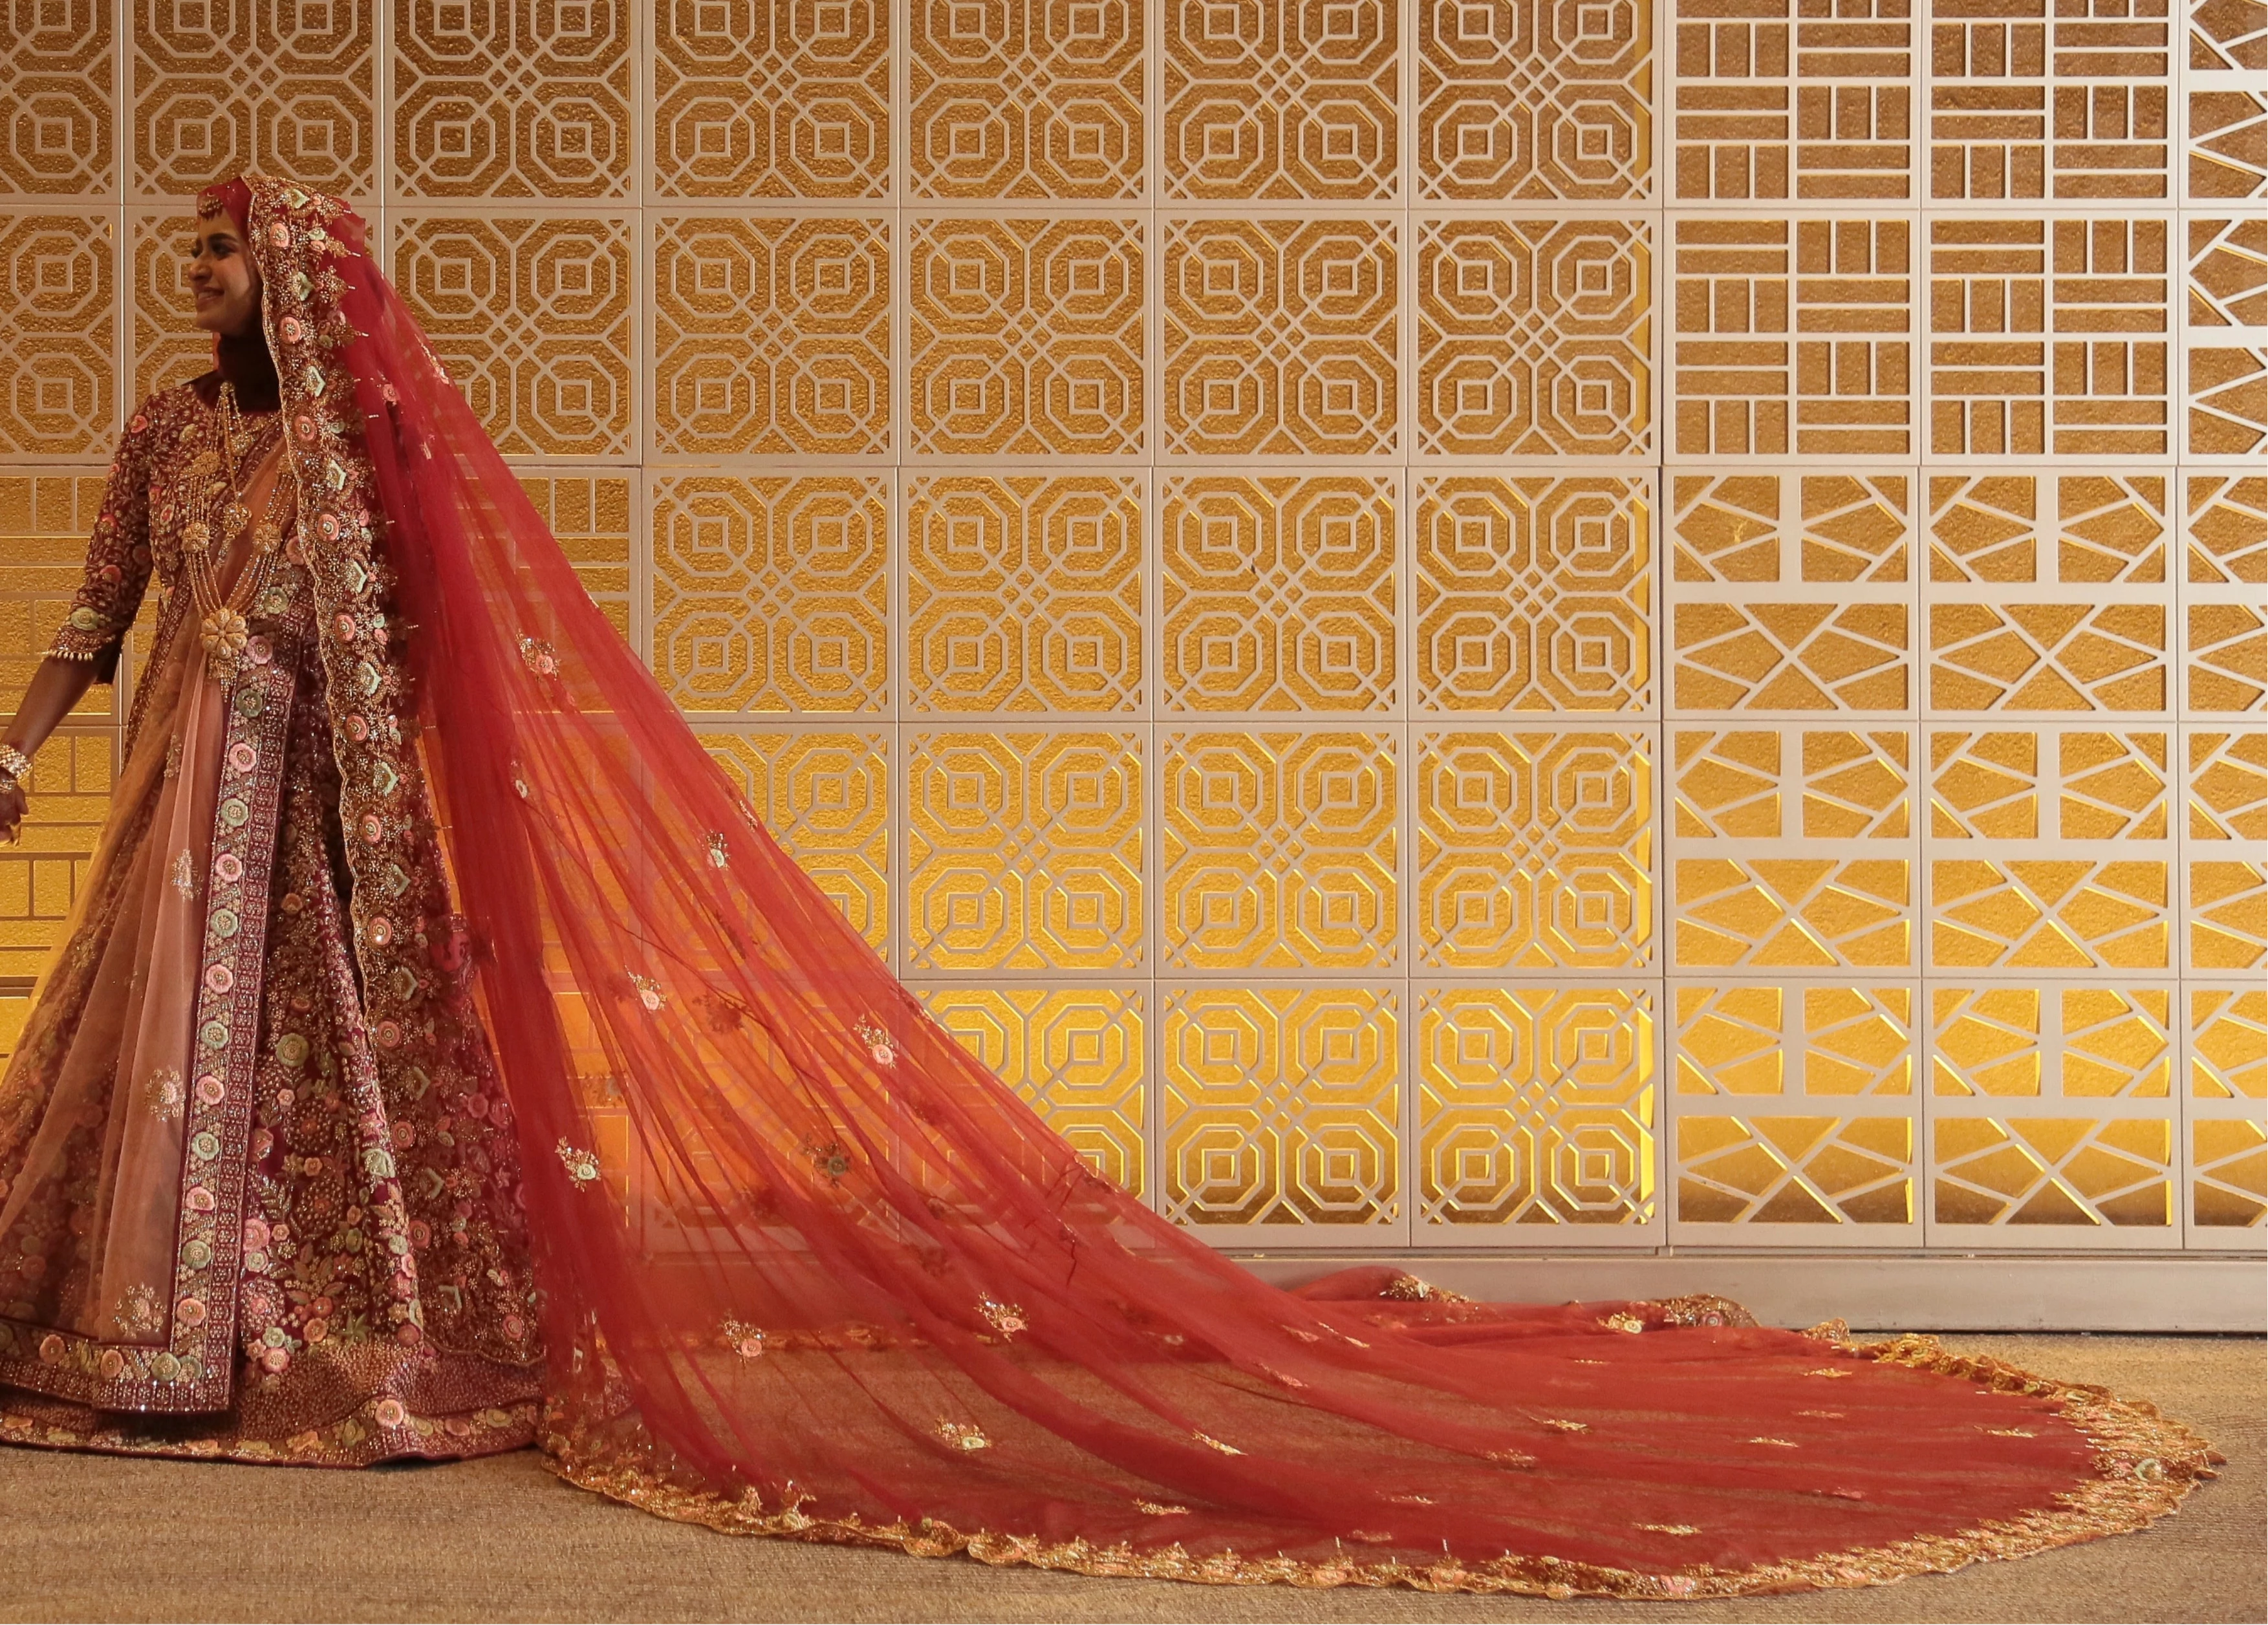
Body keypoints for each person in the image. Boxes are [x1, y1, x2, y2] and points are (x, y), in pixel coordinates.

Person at [0, 172, 2214, 1597]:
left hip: (322, 838)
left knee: (320, 1095)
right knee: (139, 1063)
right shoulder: (174, 441)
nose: (194, 279)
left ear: (301, 274)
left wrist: (421, 865)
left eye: (224, 250)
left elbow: (449, 681)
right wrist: (17, 747)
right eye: (190, 255)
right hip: (182, 805)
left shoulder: (368, 453)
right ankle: (143, 1341)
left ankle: (329, 1341)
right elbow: (104, 614)